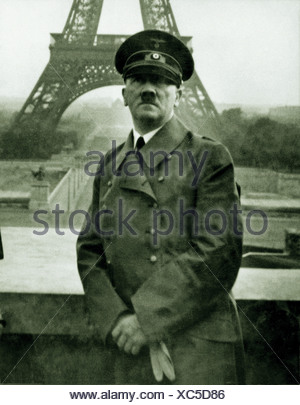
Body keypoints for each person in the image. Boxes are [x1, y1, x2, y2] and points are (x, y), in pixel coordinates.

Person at [77, 29, 245, 384]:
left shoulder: (211, 157)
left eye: (161, 80)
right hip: (128, 347)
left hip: (196, 351)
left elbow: (219, 251)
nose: (149, 89)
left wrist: (147, 318)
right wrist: (118, 318)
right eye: (139, 79)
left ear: (178, 94)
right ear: (125, 94)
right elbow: (90, 250)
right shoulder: (109, 165)